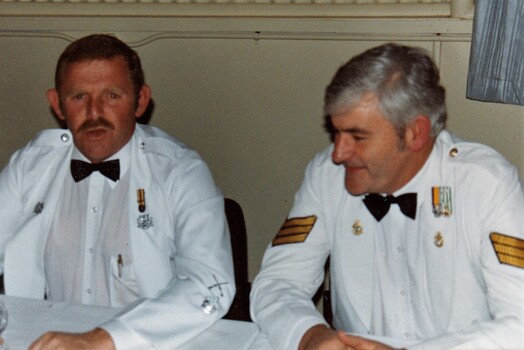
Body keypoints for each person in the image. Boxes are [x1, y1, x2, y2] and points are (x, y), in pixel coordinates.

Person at [250, 43, 524, 350]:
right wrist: (309, 335)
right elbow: (277, 283)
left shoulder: (484, 184)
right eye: (336, 132)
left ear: (415, 133)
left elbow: (520, 324)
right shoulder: (327, 175)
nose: (338, 154)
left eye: (358, 137)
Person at [0, 34, 235, 349]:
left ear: (140, 101)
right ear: (57, 104)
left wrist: (103, 340)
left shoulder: (181, 172)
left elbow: (211, 286)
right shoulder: (31, 166)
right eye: (79, 96)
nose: (94, 112)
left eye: (112, 95)